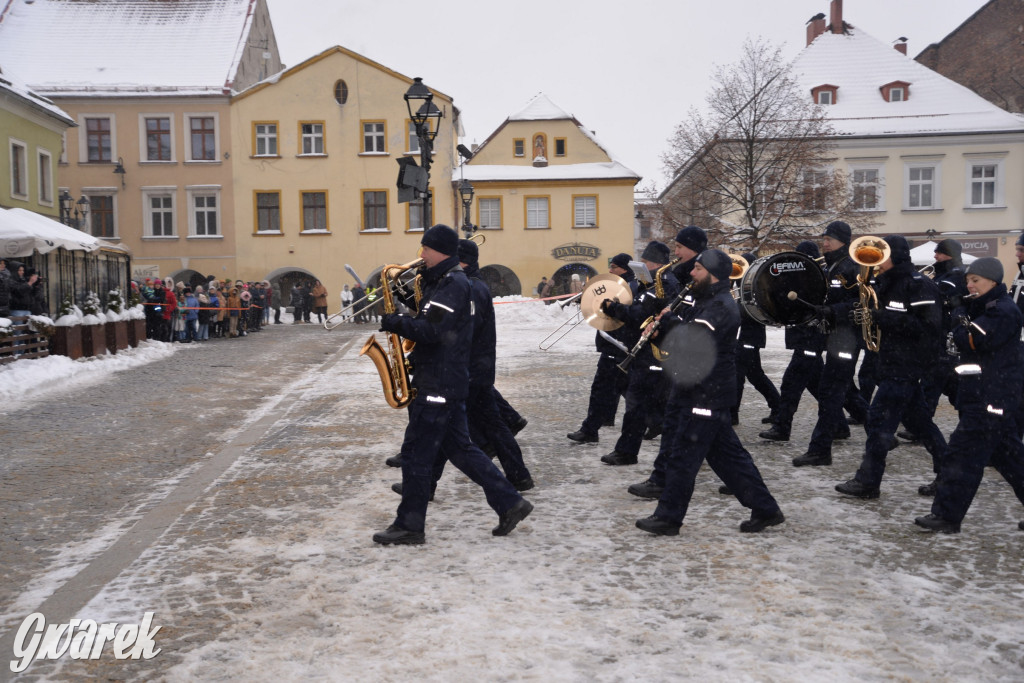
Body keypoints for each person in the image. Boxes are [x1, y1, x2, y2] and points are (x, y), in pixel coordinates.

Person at [373, 224, 532, 545]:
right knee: (460, 448)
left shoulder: (452, 285)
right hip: (445, 380)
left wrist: (395, 322)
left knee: (419, 454)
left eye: (426, 249)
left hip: (439, 383)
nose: (421, 255)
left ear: (441, 251)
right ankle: (510, 502)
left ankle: (410, 525)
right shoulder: (448, 283)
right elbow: (434, 324)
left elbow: (432, 332)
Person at [635, 249, 785, 535]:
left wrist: (667, 324)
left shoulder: (722, 306)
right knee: (728, 457)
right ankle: (766, 509)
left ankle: (668, 518)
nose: (692, 273)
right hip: (694, 388)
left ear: (713, 274)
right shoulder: (704, 299)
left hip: (706, 393)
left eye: (699, 269)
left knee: (683, 457)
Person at [915, 257, 1024, 533]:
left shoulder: (1003, 310)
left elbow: (974, 340)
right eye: (968, 280)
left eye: (976, 280)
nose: (970, 285)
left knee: (962, 457)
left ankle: (946, 516)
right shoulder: (984, 307)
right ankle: (947, 515)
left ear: (994, 281)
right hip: (986, 395)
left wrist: (959, 316)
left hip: (990, 398)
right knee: (1010, 459)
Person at [834, 235, 947, 499]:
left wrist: (884, 318)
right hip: (890, 361)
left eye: (881, 257)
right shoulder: (887, 282)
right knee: (921, 424)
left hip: (906, 365)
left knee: (878, 422)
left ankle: (868, 482)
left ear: (894, 256)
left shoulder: (918, 285)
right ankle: (949, 473)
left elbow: (929, 327)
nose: (877, 262)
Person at [792, 221, 869, 467]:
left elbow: (860, 302)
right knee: (840, 390)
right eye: (824, 239)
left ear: (843, 241)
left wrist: (830, 310)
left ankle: (820, 450)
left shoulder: (852, 266)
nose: (824, 243)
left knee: (832, 391)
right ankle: (881, 434)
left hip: (847, 337)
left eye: (829, 239)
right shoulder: (831, 264)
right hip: (835, 335)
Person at [598, 241, 678, 466]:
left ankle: (628, 451)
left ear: (655, 263)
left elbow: (641, 313)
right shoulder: (650, 283)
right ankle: (631, 448)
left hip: (652, 354)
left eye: (644, 262)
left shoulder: (664, 283)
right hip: (645, 353)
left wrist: (614, 309)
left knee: (637, 404)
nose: (641, 265)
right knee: (644, 404)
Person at [759, 241, 826, 442]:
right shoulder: (804, 278)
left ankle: (782, 427)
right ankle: (841, 424)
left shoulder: (816, 279)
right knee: (819, 386)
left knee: (791, 384)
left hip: (809, 338)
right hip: (805, 339)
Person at [566, 253, 634, 445]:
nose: (610, 271)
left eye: (614, 267)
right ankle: (654, 419)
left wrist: (605, 305)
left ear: (624, 269)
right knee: (619, 389)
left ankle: (590, 430)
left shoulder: (625, 288)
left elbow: (620, 314)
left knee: (604, 389)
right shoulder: (620, 286)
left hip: (617, 344)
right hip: (614, 344)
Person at [733, 251, 781, 426]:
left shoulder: (757, 283)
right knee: (755, 375)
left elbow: (753, 311)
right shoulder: (739, 282)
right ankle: (777, 406)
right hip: (745, 336)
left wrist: (735, 306)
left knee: (738, 374)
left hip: (750, 336)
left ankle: (733, 413)